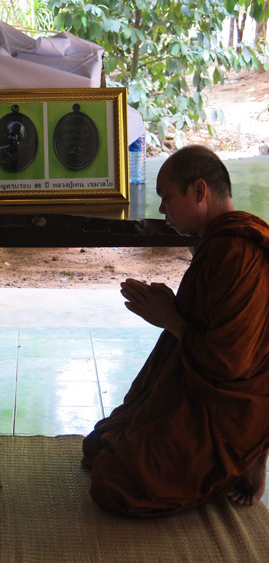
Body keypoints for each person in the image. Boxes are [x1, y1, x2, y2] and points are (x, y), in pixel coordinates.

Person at [82, 145, 269, 517]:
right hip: (199, 397)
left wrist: (170, 318)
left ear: (199, 191)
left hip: (227, 415)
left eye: (166, 198)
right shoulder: (221, 243)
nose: (162, 210)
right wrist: (169, 311)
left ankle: (240, 462)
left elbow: (227, 363)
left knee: (112, 483)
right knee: (99, 445)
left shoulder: (237, 253)